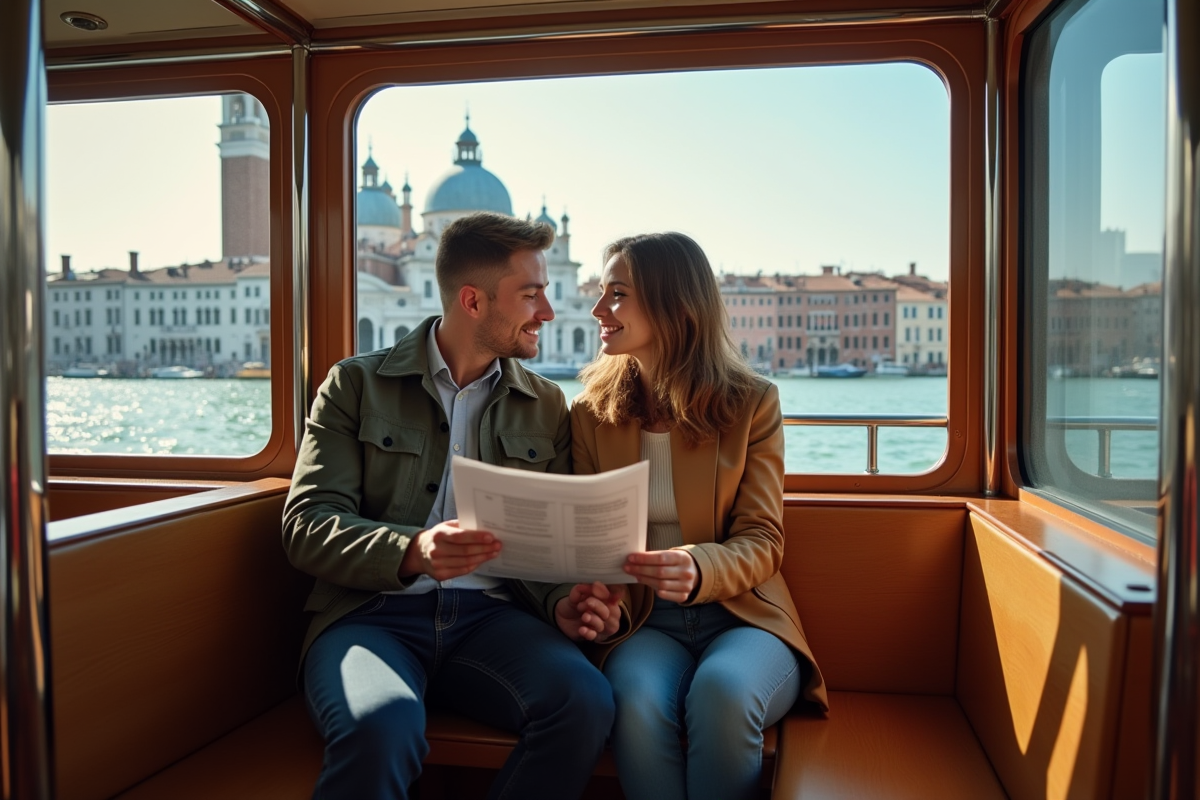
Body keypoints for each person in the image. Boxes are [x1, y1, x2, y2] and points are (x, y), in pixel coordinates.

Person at [283, 211, 616, 800]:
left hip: (493, 621)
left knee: (585, 703)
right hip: (368, 616)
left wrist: (564, 602)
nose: (548, 311)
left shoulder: (545, 405)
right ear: (473, 301)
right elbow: (307, 525)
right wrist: (412, 550)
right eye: (531, 295)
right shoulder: (354, 386)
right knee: (379, 729)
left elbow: (546, 549)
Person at [540, 232, 829, 800]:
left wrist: (698, 567)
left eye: (616, 294)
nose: (599, 309)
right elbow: (586, 538)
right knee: (637, 704)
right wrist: (591, 596)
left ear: (674, 304)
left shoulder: (753, 403)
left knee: (722, 693)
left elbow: (763, 539)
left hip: (742, 616)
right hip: (643, 622)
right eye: (601, 293)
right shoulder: (588, 413)